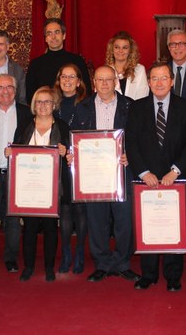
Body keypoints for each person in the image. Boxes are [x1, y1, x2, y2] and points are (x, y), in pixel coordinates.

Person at [126, 62, 186, 292]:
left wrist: (174, 172)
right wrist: (144, 172)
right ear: (148, 82)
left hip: (175, 181)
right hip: (146, 180)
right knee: (149, 226)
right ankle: (148, 275)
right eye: (154, 78)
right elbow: (131, 144)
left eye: (164, 78)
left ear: (172, 81)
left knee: (172, 228)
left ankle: (173, 276)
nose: (159, 83)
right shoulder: (136, 108)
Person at [72, 66, 140, 283]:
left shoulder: (130, 106)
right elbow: (74, 138)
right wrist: (73, 154)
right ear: (94, 82)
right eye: (100, 80)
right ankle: (101, 263)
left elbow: (140, 138)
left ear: (115, 82)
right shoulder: (82, 107)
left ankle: (122, 263)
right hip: (94, 175)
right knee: (97, 220)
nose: (104, 84)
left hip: (122, 171)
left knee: (124, 221)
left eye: (108, 79)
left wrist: (131, 155)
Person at [9, 86, 71, 282]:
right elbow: (16, 150)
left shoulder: (62, 127)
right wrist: (10, 153)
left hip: (52, 188)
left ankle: (49, 267)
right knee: (29, 228)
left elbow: (72, 156)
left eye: (47, 101)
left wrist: (66, 153)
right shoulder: (25, 126)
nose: (43, 105)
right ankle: (28, 267)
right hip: (29, 187)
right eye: (39, 102)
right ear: (34, 105)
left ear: (54, 105)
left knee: (51, 228)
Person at [0, 74, 33, 273]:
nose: (5, 91)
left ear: (15, 90)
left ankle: (11, 258)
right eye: (0, 87)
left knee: (13, 219)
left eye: (9, 87)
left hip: (17, 174)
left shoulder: (26, 113)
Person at [53, 64, 88, 273]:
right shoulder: (52, 103)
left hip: (82, 163)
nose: (67, 80)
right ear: (59, 80)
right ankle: (66, 252)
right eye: (63, 76)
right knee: (65, 209)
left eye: (71, 76)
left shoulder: (87, 104)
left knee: (80, 210)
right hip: (59, 164)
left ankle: (80, 252)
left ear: (79, 81)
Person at [25, 18, 92, 103]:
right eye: (49, 33)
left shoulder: (77, 61)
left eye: (57, 32)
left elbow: (86, 91)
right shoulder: (35, 64)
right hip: (45, 109)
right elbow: (30, 96)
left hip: (73, 108)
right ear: (45, 38)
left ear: (64, 36)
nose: (53, 37)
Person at [105, 31, 149, 100]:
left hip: (135, 106)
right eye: (117, 47)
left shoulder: (139, 70)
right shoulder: (105, 70)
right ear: (112, 49)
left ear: (130, 50)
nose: (120, 51)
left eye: (125, 48)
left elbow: (142, 97)